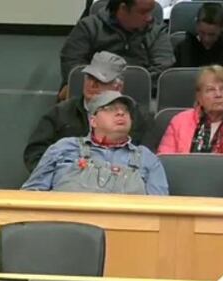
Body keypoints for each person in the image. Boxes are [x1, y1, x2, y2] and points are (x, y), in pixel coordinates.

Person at [24, 51, 153, 171]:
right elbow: (35, 153)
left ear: (118, 87)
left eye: (100, 81)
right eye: (89, 78)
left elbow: (146, 159)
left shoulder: (136, 117)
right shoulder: (60, 113)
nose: (92, 85)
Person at [22, 91, 169, 195]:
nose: (120, 113)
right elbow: (31, 196)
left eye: (125, 110)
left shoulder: (146, 158)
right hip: (65, 231)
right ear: (93, 121)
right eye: (110, 109)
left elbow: (160, 210)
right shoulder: (63, 148)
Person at [60, 0, 174, 100]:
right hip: (93, 94)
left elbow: (163, 69)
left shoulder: (157, 32)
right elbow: (73, 64)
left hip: (138, 96)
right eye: (143, 12)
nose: (149, 17)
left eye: (151, 11)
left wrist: (115, 86)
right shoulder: (89, 27)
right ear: (123, 8)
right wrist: (102, 86)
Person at [159, 65, 223, 154]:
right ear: (199, 97)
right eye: (210, 90)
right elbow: (165, 160)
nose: (218, 94)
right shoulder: (179, 122)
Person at [174, 2, 223, 68]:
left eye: (212, 34)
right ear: (196, 25)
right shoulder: (183, 49)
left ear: (222, 27)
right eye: (202, 33)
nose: (206, 39)